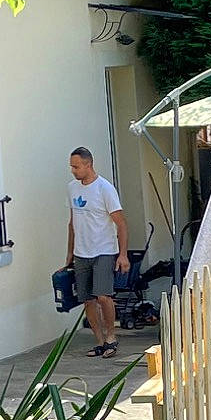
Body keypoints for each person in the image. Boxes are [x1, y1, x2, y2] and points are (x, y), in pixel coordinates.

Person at [66, 147, 129, 359]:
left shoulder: (105, 189)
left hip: (103, 250)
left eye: (76, 166)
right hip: (81, 253)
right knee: (87, 299)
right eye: (71, 166)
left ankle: (111, 336)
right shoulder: (72, 189)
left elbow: (121, 223)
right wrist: (69, 255)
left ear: (88, 165)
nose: (73, 170)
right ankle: (100, 341)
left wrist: (123, 254)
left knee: (103, 296)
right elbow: (72, 223)